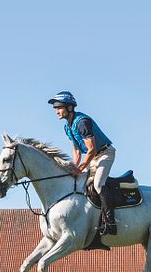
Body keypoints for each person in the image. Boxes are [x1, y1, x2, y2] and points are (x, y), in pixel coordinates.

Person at [48, 90, 117, 235]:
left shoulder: (82, 122)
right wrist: (74, 167)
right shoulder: (67, 127)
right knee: (80, 183)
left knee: (98, 184)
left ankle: (110, 223)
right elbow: (77, 152)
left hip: (105, 153)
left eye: (59, 107)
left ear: (69, 107)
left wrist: (82, 168)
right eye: (56, 108)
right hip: (93, 157)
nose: (56, 111)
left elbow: (91, 149)